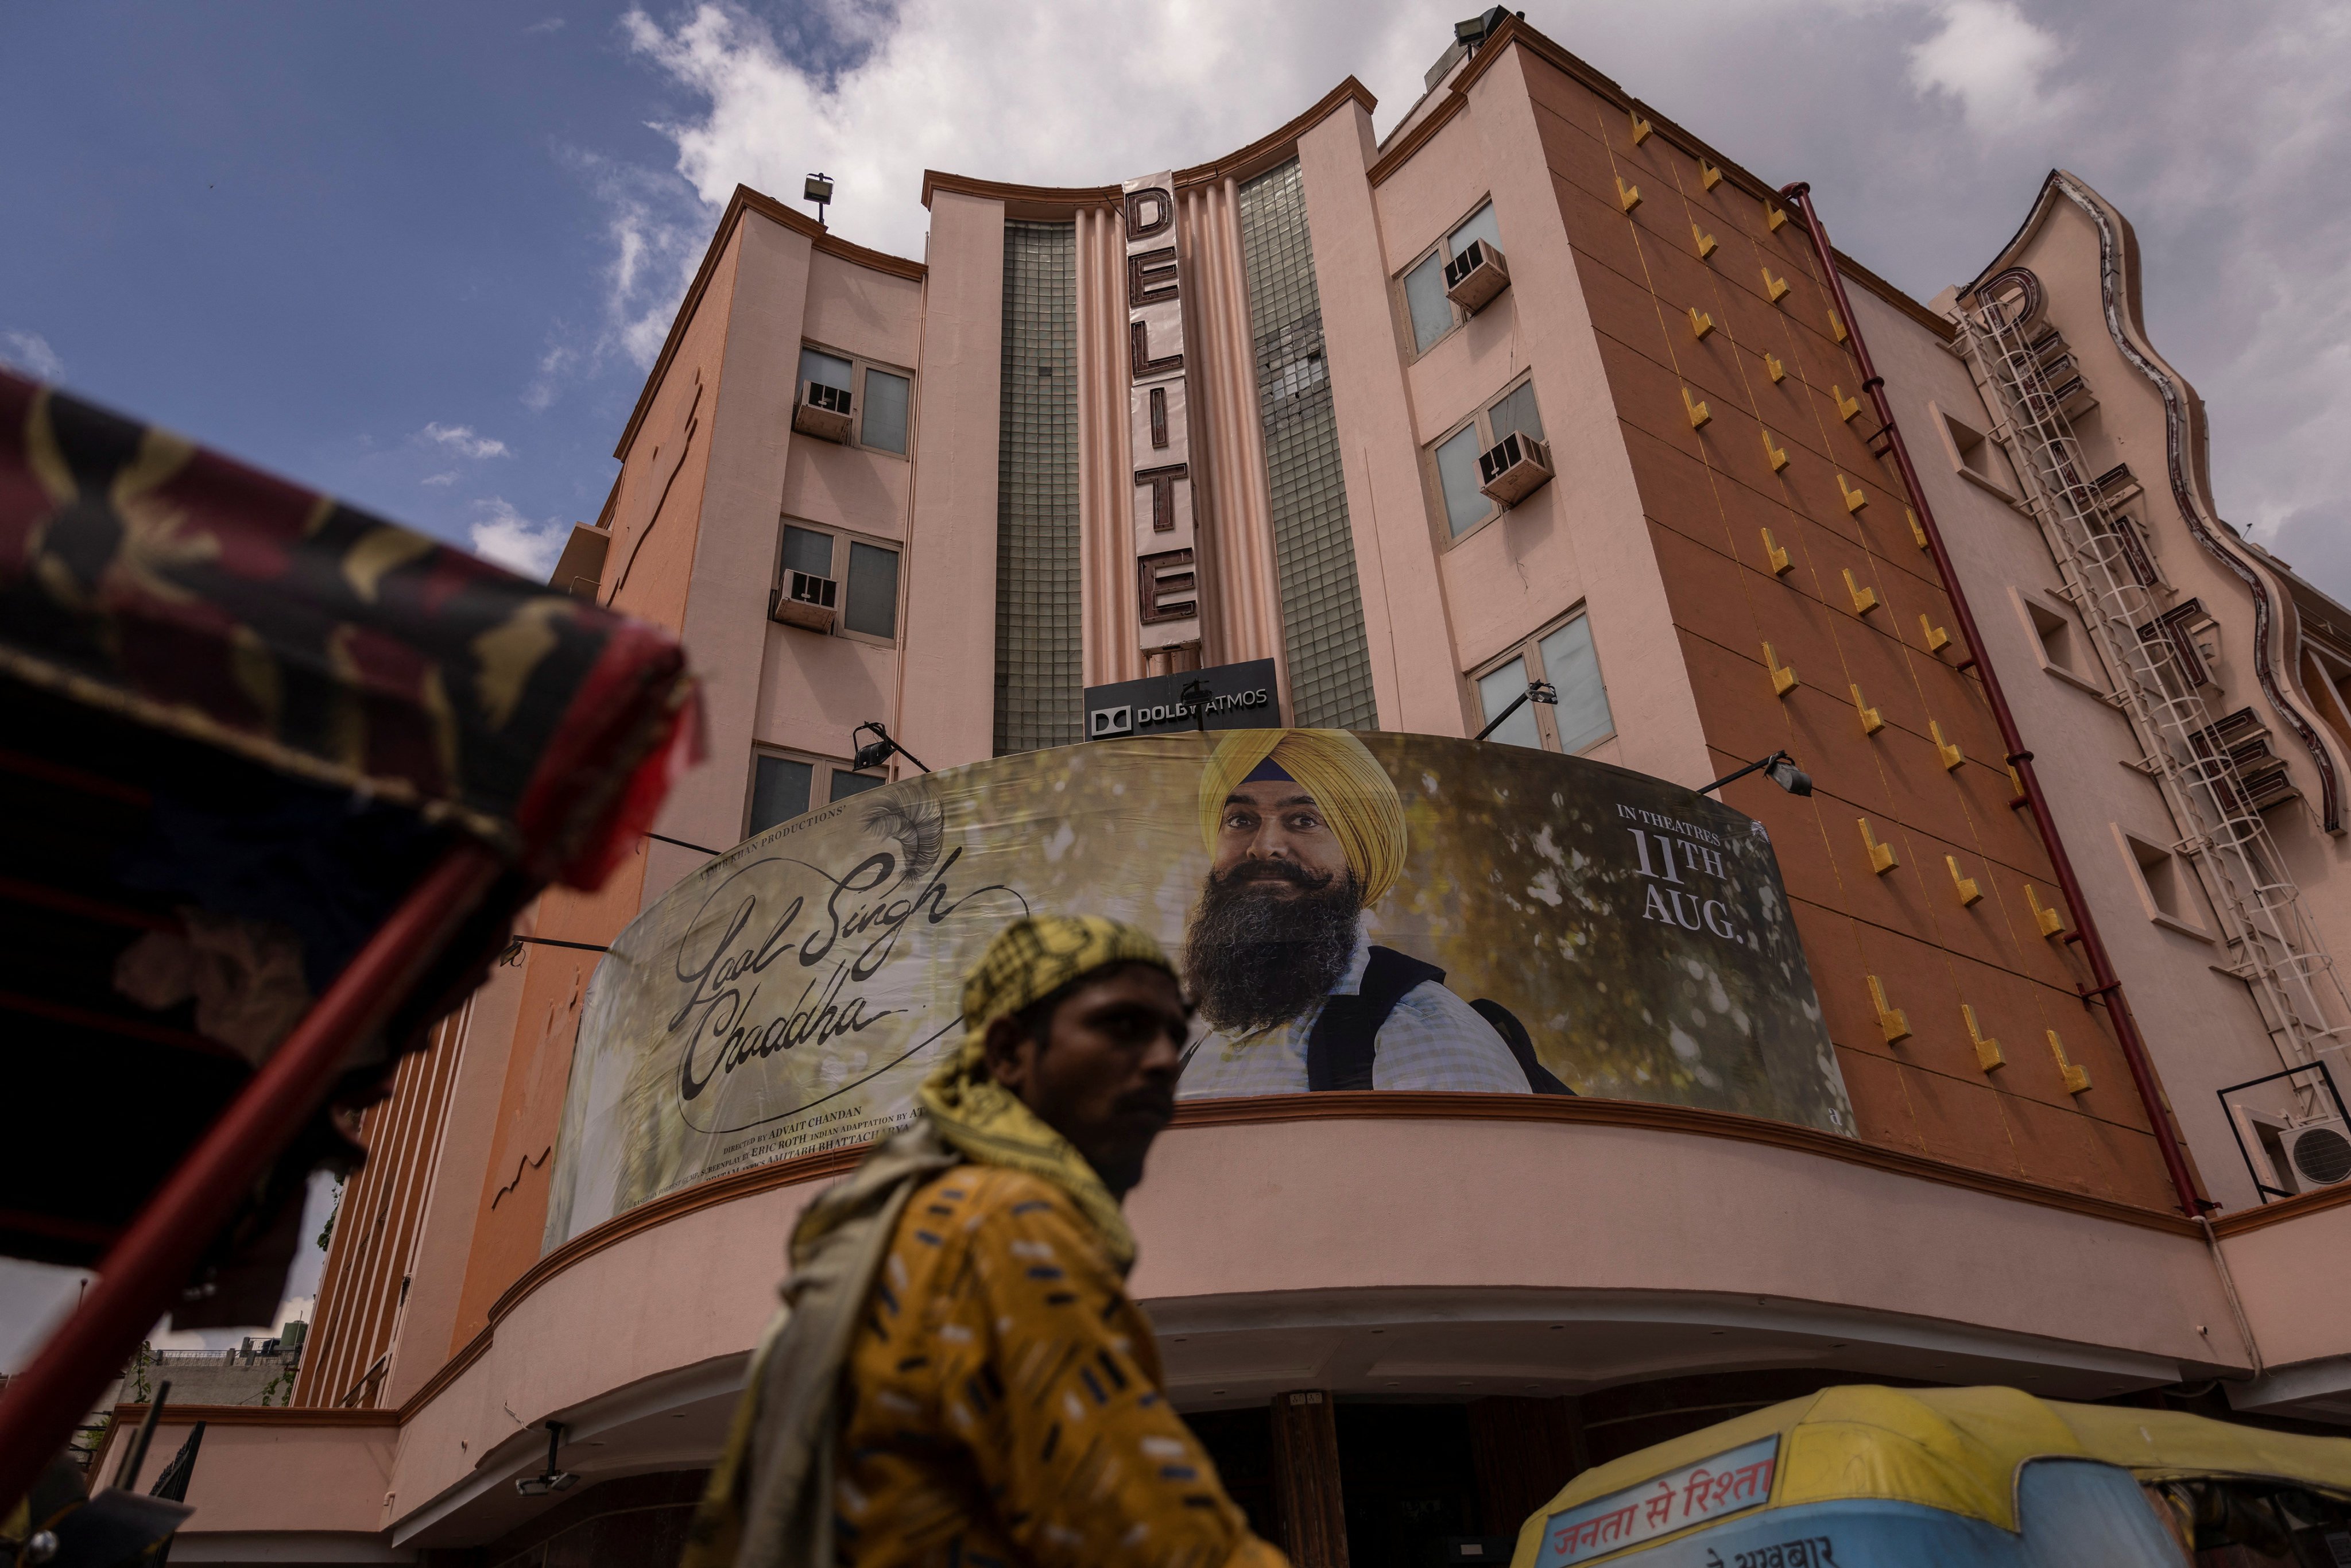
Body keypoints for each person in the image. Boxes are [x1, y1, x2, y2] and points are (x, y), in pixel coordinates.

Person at [683, 914, 1287, 1568]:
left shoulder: (923, 1218)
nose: (1166, 1060)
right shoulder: (1000, 1223)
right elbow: (1163, 1538)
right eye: (1122, 1026)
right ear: (1007, 1052)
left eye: (1175, 1033)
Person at [1179, 728, 1568, 1097]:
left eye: (1303, 820)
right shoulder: (1199, 1048)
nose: (1264, 847)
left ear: (1358, 851)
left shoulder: (1418, 1031)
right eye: (1240, 820)